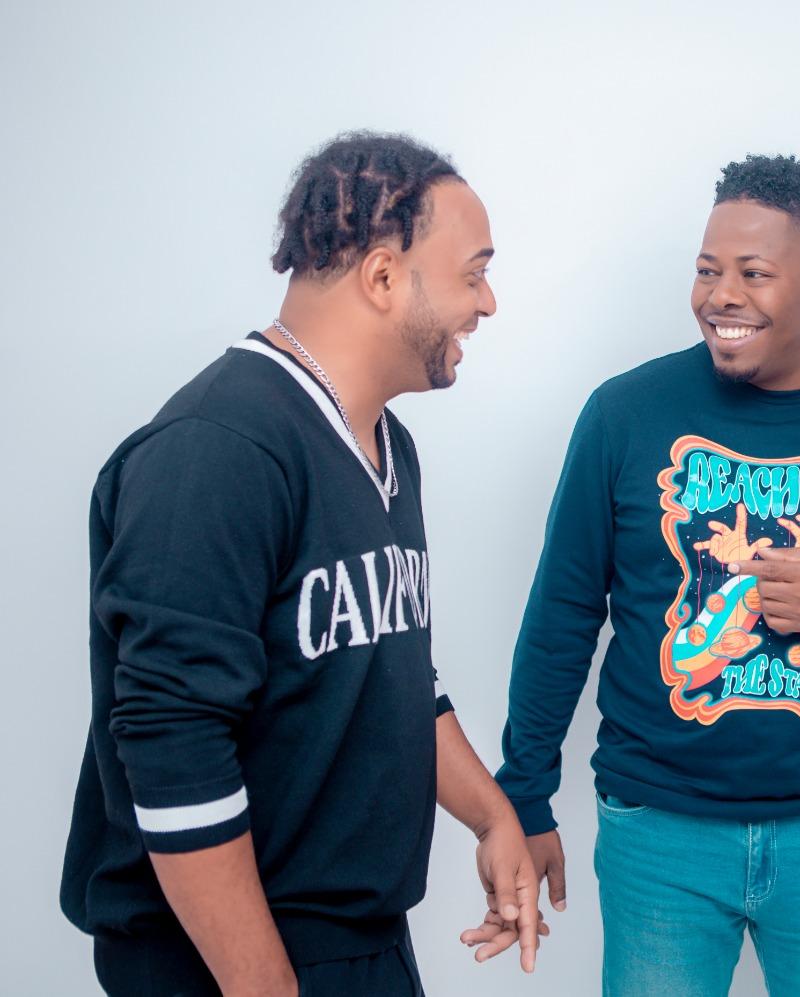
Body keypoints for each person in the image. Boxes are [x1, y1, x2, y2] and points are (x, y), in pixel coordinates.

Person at [496, 153, 800, 995]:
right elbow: (563, 612)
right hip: (658, 829)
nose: (720, 295)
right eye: (707, 270)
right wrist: (523, 794)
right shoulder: (625, 413)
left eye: (753, 273)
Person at [61, 132, 544, 996]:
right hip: (229, 958)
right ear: (384, 277)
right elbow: (172, 744)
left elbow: (390, 674)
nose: (489, 302)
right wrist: (264, 983)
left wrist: (490, 814)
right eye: (473, 273)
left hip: (360, 942)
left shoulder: (388, 444)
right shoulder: (216, 448)